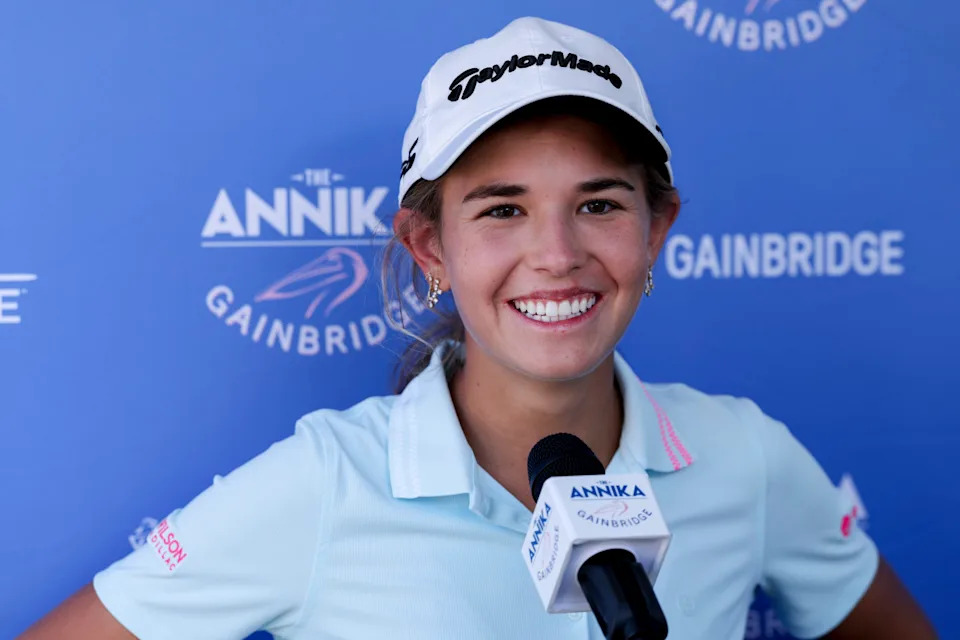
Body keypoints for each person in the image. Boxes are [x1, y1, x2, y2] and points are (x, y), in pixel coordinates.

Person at [21, 16, 936, 640]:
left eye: (599, 204)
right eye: (502, 210)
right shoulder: (327, 483)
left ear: (658, 230)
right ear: (429, 246)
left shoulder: (746, 456)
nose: (556, 254)